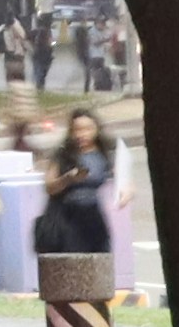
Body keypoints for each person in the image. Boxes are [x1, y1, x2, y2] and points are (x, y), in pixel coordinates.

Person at [33, 113, 121, 315]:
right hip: (68, 218)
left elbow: (121, 176)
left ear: (96, 129)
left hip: (93, 216)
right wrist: (68, 179)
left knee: (98, 264)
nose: (82, 134)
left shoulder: (103, 153)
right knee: (71, 267)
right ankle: (70, 315)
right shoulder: (64, 155)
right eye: (77, 129)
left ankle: (97, 313)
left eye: (87, 129)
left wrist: (125, 188)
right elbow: (49, 186)